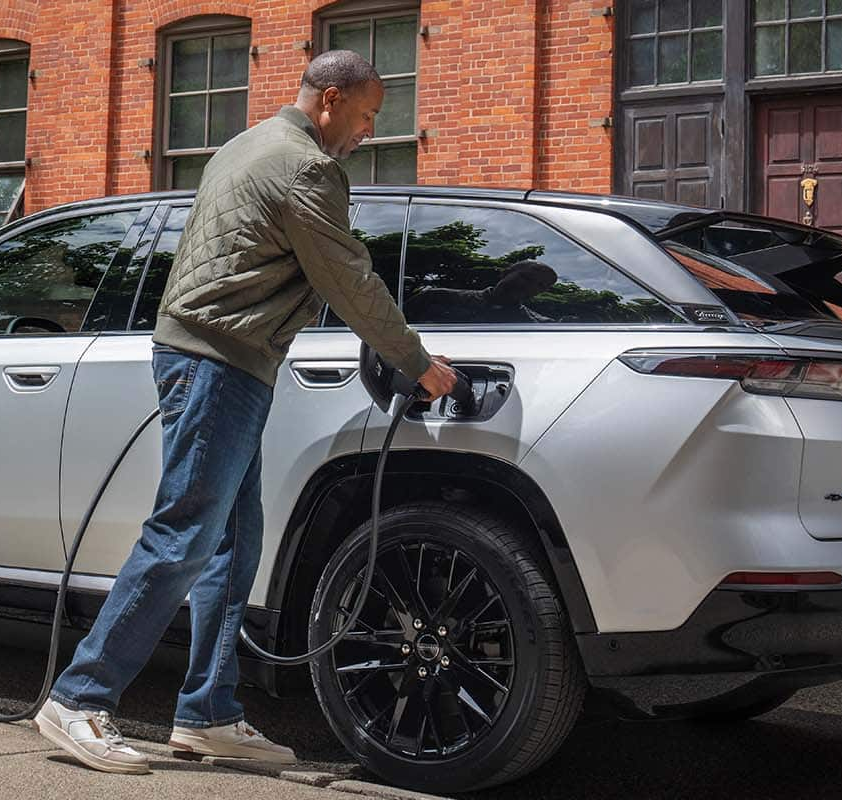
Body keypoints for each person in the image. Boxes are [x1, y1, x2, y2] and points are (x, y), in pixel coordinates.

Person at [31, 49, 458, 775]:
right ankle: (78, 699)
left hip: (214, 358)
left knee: (231, 546)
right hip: (216, 362)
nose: (367, 132)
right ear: (329, 100)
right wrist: (419, 362)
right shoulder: (307, 168)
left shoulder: (244, 144)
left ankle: (208, 714)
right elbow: (348, 279)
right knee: (184, 537)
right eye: (364, 115)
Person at [402, 260, 562, 324]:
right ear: (505, 273)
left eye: (540, 285)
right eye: (526, 277)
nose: (530, 287)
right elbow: (389, 327)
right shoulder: (436, 298)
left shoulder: (538, 325)